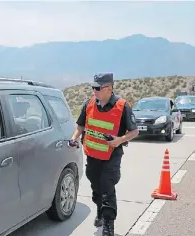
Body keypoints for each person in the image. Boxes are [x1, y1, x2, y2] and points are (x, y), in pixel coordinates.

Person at [68, 73, 139, 236]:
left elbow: (134, 131)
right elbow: (80, 127)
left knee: (107, 187)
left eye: (98, 88)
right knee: (95, 187)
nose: (95, 91)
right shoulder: (89, 104)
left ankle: (108, 224)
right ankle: (100, 209)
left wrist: (119, 140)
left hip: (111, 156)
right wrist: (73, 139)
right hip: (92, 155)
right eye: (93, 87)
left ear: (109, 88)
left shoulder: (122, 106)